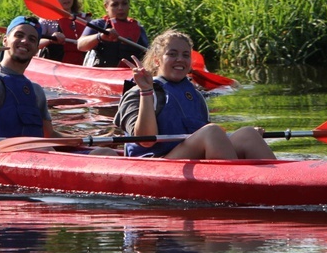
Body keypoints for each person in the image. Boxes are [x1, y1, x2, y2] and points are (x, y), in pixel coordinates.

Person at [0, 15, 116, 155]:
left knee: (107, 153)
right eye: (19, 35)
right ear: (5, 40)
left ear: (37, 47)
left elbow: (49, 136)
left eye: (32, 39)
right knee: (45, 151)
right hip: (4, 157)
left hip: (40, 155)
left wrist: (91, 140)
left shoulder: (36, 91)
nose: (25, 41)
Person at [114, 30, 276, 159]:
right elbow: (146, 141)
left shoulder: (196, 96)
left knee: (248, 134)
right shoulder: (136, 92)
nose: (180, 59)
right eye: (172, 54)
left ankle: (277, 184)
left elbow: (206, 139)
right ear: (157, 60)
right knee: (211, 132)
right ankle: (235, 187)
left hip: (189, 158)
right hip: (156, 162)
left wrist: (232, 136)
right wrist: (146, 91)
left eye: (185, 55)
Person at [77, 0, 149, 67]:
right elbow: (80, 45)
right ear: (106, 7)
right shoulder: (98, 25)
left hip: (130, 76)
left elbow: (147, 55)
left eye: (124, 3)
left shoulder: (138, 28)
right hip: (103, 75)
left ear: (129, 5)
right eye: (115, 5)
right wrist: (100, 36)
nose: (120, 8)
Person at [37, 0, 89, 65]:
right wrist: (50, 40)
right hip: (55, 68)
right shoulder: (46, 20)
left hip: (82, 68)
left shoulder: (85, 19)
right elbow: (35, 43)